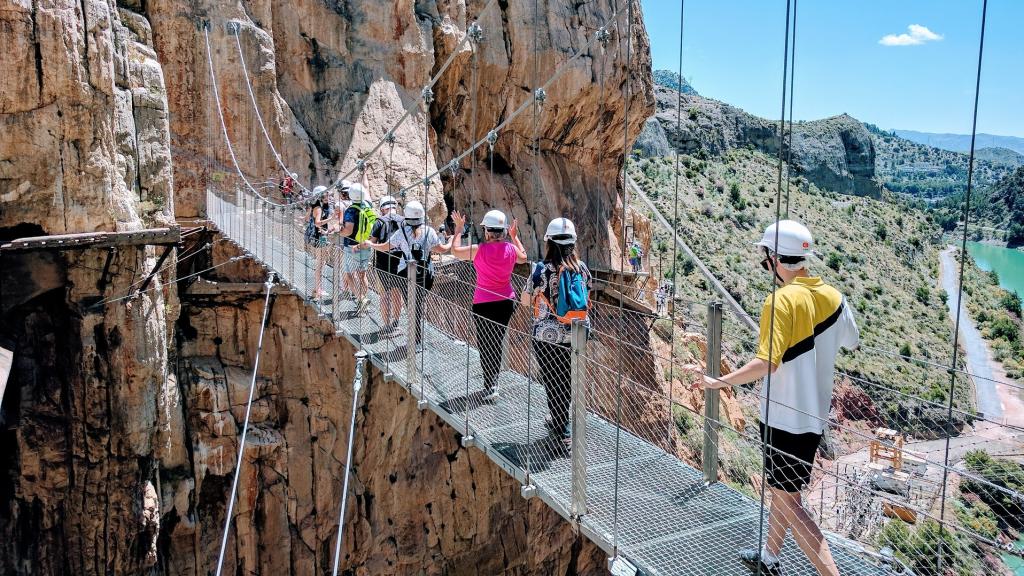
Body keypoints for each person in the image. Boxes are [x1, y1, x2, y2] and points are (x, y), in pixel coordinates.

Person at [687, 220, 858, 576]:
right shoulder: (834, 299)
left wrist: (719, 382)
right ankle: (770, 555)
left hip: (782, 419)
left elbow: (766, 362)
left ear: (775, 259)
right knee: (784, 492)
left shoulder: (779, 301)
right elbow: (852, 342)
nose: (765, 265)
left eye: (766, 258)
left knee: (791, 502)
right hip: (813, 418)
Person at [522, 217, 592, 447]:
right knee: (566, 379)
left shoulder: (542, 269)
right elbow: (587, 294)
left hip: (547, 334)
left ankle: (562, 428)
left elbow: (524, 299)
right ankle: (562, 421)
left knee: (552, 380)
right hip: (576, 333)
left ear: (549, 243)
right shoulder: (582, 268)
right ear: (573, 243)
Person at [450, 209, 528, 401]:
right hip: (507, 301)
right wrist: (515, 237)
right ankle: (494, 380)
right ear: (503, 232)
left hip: (483, 302)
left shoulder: (479, 249)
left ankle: (490, 383)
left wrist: (459, 229)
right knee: (497, 340)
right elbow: (523, 257)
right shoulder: (511, 249)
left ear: (486, 231)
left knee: (485, 343)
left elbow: (454, 251)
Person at [362, 200, 451, 350]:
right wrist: (454, 239)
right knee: (416, 306)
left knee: (412, 307)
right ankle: (416, 339)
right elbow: (442, 249)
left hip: (405, 275)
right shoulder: (429, 232)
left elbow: (384, 247)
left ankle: (415, 341)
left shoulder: (401, 233)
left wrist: (371, 244)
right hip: (426, 275)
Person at [338, 171, 376, 312]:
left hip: (352, 247)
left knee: (348, 274)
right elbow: (366, 188)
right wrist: (364, 172)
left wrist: (339, 231)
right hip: (366, 245)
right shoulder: (368, 205)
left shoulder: (351, 210)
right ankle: (363, 298)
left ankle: (361, 299)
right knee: (362, 274)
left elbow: (348, 230)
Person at [368, 195, 405, 333]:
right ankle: (396, 323)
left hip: (383, 264)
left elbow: (373, 241)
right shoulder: (404, 221)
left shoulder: (380, 221)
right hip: (401, 263)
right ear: (395, 207)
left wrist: (366, 243)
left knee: (384, 296)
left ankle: (386, 325)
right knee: (397, 294)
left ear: (383, 209)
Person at [303, 185, 332, 299]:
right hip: (319, 238)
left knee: (321, 262)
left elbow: (306, 219)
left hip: (316, 237)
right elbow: (317, 223)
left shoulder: (313, 206)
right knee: (320, 264)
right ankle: (318, 290)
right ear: (320, 195)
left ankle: (317, 289)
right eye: (326, 194)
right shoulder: (319, 208)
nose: (328, 196)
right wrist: (331, 218)